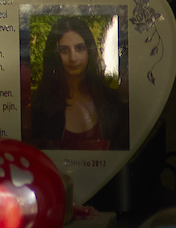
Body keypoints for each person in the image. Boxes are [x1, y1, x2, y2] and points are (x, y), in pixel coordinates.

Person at [29, 15, 128, 150]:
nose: (73, 58)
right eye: (64, 50)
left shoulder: (113, 100)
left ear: (89, 50)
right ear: (55, 55)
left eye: (80, 48)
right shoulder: (39, 107)